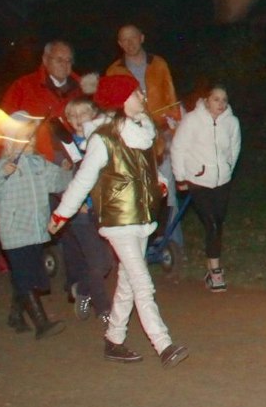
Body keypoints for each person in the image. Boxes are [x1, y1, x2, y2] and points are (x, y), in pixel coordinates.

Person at [52, 75, 185, 366]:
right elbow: (84, 179)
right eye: (136, 93)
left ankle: (114, 340)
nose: (142, 97)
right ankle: (163, 344)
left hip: (141, 216)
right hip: (117, 220)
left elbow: (147, 170)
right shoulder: (103, 139)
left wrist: (160, 183)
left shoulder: (141, 133)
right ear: (121, 100)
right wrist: (62, 213)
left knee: (127, 283)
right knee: (142, 282)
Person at [0, 111, 71, 338]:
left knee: (27, 275)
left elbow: (58, 183)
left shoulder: (39, 164)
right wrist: (1, 175)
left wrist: (67, 171)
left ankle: (16, 315)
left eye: (32, 136)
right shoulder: (0, 166)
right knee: (26, 276)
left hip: (36, 230)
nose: (31, 141)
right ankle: (42, 324)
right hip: (14, 231)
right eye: (25, 137)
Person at [169, 85, 240, 291]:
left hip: (222, 181)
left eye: (224, 100)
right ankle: (216, 272)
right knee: (212, 224)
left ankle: (210, 268)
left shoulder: (231, 122)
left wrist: (228, 168)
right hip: (198, 180)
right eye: (216, 99)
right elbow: (178, 148)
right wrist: (180, 177)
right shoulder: (192, 120)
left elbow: (234, 148)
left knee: (217, 223)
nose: (221, 104)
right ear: (207, 100)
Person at [53, 97, 115, 317]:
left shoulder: (102, 140)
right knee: (98, 262)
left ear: (93, 115)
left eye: (84, 113)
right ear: (68, 120)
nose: (79, 119)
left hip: (104, 209)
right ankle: (104, 309)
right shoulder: (64, 147)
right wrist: (73, 203)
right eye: (73, 115)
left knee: (107, 262)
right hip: (80, 212)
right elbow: (59, 181)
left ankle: (82, 288)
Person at [2, 41, 83, 163]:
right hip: (34, 159)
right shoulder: (23, 87)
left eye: (68, 60)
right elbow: (4, 125)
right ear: (45, 60)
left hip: (75, 160)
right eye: (59, 60)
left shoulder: (82, 90)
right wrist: (2, 162)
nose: (65, 65)